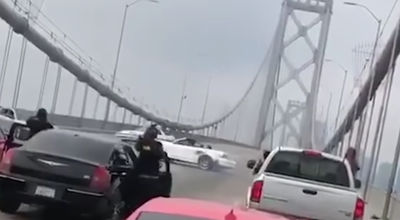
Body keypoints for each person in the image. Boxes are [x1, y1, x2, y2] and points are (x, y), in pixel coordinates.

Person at [119, 124, 166, 213]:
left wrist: (144, 141)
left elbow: (141, 149)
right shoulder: (155, 145)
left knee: (129, 192)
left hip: (141, 175)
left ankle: (124, 206)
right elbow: (160, 156)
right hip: (149, 176)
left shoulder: (149, 144)